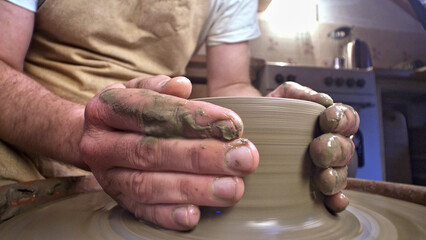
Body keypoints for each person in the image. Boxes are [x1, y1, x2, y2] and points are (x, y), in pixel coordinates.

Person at [0, 0, 359, 230]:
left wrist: (276, 127)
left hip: (155, 148)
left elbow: (233, 84)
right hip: (35, 141)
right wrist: (79, 132)